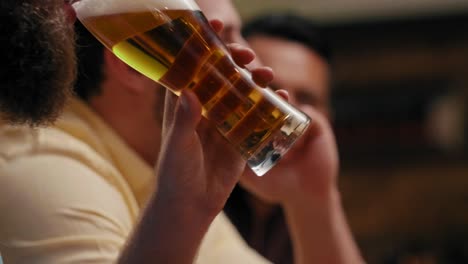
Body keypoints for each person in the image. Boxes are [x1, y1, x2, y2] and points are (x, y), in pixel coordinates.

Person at [0, 0, 363, 263]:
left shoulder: (162, 172)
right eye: (223, 34)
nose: (257, 60)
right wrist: (185, 210)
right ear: (132, 65)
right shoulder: (38, 156)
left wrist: (312, 202)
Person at [225, 13, 333, 264]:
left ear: (328, 116)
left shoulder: (321, 204)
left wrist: (318, 198)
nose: (287, 115)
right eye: (271, 92)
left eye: (306, 99)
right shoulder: (195, 189)